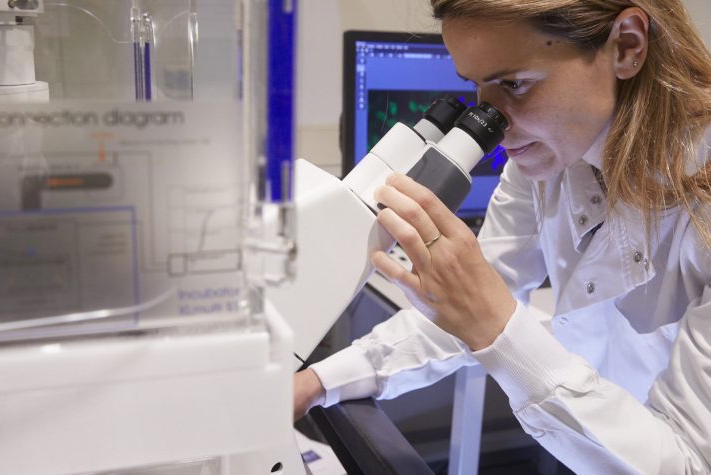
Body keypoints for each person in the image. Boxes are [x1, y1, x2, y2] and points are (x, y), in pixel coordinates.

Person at [294, 0, 711, 472]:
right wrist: (317, 382)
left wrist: (496, 326)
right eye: (475, 87)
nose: (494, 122)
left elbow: (690, 463)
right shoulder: (549, 163)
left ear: (627, 46)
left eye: (514, 83)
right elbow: (466, 304)